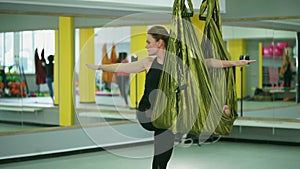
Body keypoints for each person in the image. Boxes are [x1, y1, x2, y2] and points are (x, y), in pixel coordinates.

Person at [86, 25, 255, 169]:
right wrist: (100, 67)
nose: (145, 46)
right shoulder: (148, 62)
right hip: (147, 113)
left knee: (162, 154)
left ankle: (214, 115)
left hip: (168, 115)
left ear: (160, 43)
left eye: (148, 42)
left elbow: (207, 62)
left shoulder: (178, 62)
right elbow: (124, 67)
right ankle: (214, 113)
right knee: (169, 119)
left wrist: (235, 63)